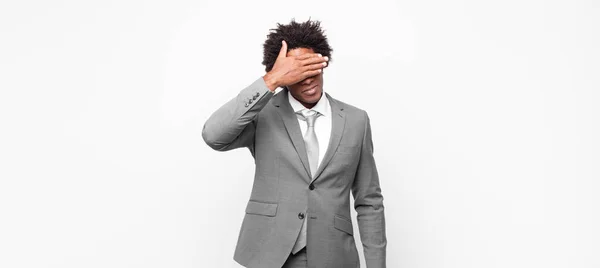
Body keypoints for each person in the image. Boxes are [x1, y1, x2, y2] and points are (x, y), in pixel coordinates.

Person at [202, 19, 386, 268]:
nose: (307, 79)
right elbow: (214, 135)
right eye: (296, 72)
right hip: (270, 254)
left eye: (311, 68)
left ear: (323, 63)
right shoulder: (262, 114)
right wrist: (271, 80)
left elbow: (369, 201)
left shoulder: (356, 120)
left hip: (333, 254)